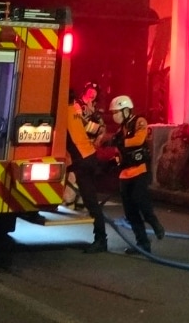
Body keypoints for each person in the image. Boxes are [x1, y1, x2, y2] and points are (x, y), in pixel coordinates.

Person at [109, 94, 165, 254]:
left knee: (141, 202)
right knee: (131, 212)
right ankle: (143, 243)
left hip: (139, 172)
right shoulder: (121, 130)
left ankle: (155, 225)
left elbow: (139, 140)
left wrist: (121, 142)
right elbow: (118, 151)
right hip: (125, 174)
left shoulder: (139, 122)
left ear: (126, 110)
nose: (114, 116)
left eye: (116, 112)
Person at [66, 84, 109, 253]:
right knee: (88, 198)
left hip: (83, 161)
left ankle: (101, 240)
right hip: (89, 157)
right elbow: (90, 127)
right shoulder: (74, 112)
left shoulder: (64, 114)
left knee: (91, 202)